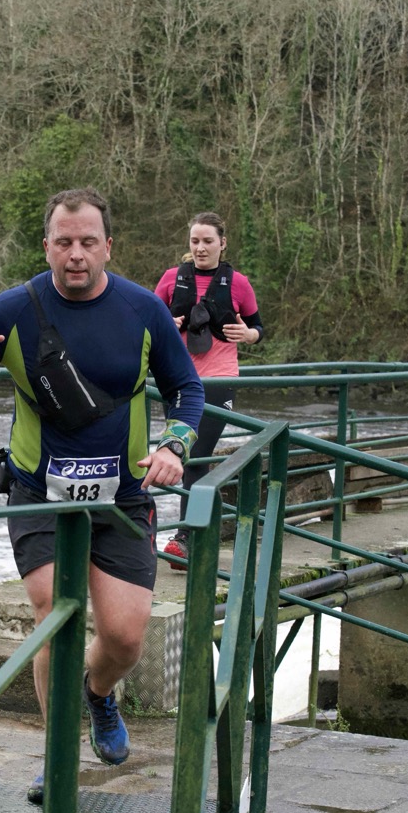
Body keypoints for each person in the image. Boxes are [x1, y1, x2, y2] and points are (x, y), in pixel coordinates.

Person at [0, 188, 204, 805]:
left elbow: (187, 388)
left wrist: (174, 446)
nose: (76, 254)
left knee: (124, 637)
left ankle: (98, 696)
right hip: (39, 492)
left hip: (123, 497)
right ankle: (56, 757)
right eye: (64, 242)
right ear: (47, 245)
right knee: (56, 616)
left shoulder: (142, 309)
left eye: (88, 242)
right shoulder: (17, 306)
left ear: (108, 247)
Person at [153, 211, 264, 567]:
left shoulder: (239, 284)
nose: (200, 248)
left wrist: (248, 334)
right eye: (195, 241)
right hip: (177, 380)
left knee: (196, 454)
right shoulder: (171, 279)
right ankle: (195, 537)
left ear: (222, 243)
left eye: (208, 241)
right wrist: (165, 324)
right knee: (183, 456)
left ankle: (186, 538)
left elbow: (258, 327)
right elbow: (148, 323)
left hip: (219, 379)